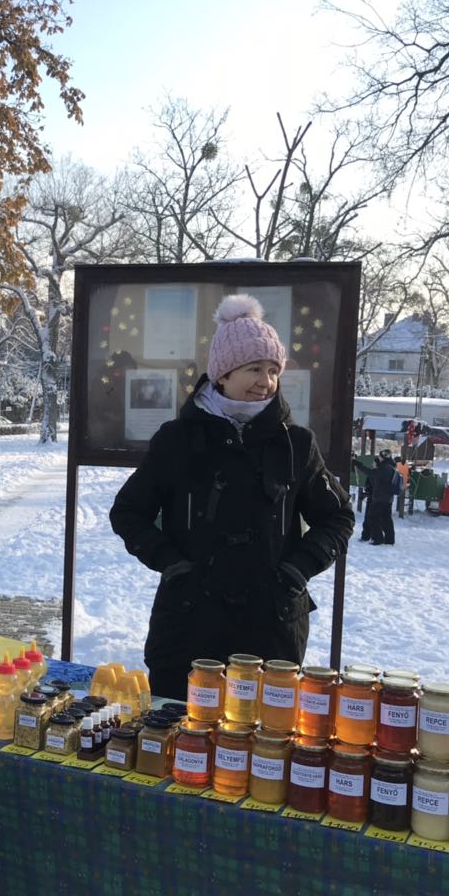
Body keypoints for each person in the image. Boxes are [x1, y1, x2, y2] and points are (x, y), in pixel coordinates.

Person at [109, 293, 355, 699]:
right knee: (180, 730)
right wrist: (172, 565)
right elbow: (128, 512)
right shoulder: (177, 439)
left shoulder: (296, 443)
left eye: (273, 370)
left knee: (262, 734)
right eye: (254, 368)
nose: (266, 381)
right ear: (222, 374)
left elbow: (338, 517)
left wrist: (297, 571)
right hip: (188, 627)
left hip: (271, 631)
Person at [363, 450, 404, 546]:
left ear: (383, 457)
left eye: (380, 456)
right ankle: (390, 539)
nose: (378, 458)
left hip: (380, 498)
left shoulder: (383, 468)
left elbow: (372, 474)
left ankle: (377, 539)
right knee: (387, 519)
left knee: (374, 518)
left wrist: (359, 465)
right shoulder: (392, 466)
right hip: (388, 498)